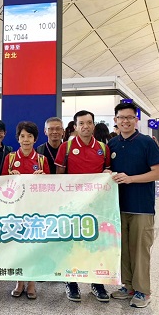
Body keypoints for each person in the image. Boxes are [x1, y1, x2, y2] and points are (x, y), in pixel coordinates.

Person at [108, 103, 159, 308]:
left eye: (130, 118)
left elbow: (157, 173)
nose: (125, 121)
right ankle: (128, 286)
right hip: (118, 207)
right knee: (123, 249)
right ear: (116, 120)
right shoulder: (112, 144)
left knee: (140, 249)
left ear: (136, 120)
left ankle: (143, 291)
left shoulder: (147, 142)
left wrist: (131, 179)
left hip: (141, 206)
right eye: (121, 118)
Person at [55, 110, 111, 302]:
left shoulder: (103, 148)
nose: (85, 126)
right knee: (72, 243)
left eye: (89, 123)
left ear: (94, 125)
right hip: (73, 205)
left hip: (97, 205)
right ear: (75, 126)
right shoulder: (66, 147)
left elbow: (108, 171)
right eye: (81, 123)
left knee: (96, 243)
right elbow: (59, 176)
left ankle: (97, 282)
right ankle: (71, 282)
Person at [1, 121, 49, 300]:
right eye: (22, 136)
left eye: (30, 136)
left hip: (36, 212)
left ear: (35, 139)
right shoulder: (10, 158)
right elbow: (0, 185)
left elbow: (51, 188)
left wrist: (43, 178)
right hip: (15, 210)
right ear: (18, 138)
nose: (26, 139)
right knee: (17, 247)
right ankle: (19, 282)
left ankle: (31, 283)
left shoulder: (42, 160)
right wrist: (10, 177)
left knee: (33, 247)